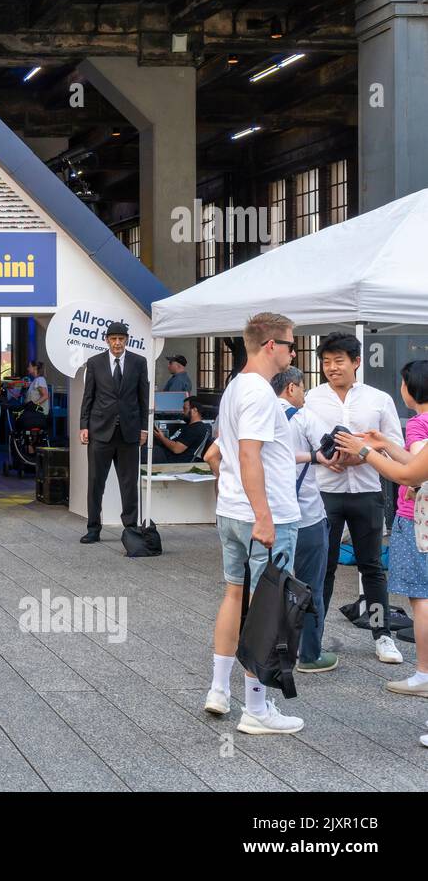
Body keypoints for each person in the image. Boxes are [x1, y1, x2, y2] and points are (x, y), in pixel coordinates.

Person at [202, 312, 305, 735]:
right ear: (270, 346)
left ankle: (218, 690)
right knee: (265, 610)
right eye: (290, 345)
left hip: (233, 510)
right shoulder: (261, 394)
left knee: (234, 596)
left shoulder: (235, 388)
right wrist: (264, 516)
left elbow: (219, 454)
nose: (294, 352)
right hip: (265, 516)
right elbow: (248, 455)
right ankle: (257, 709)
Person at [305, 331, 405, 665]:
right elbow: (302, 444)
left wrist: (364, 453)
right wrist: (323, 456)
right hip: (324, 493)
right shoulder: (310, 398)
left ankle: (382, 634)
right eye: (326, 362)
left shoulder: (378, 399)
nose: (331, 368)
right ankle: (312, 636)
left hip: (367, 491)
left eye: (339, 361)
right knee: (324, 568)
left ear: (356, 362)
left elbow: (393, 444)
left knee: (372, 566)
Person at [334, 360, 428, 713]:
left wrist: (366, 452)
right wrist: (385, 444)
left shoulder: (420, 422)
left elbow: (408, 476)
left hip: (418, 522)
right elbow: (415, 466)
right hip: (412, 519)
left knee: (419, 597)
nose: (332, 367)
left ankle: (419, 668)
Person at [272, 366, 339, 673]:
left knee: (271, 584)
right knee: (311, 584)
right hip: (307, 514)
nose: (304, 395)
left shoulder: (261, 414)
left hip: (268, 516)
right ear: (291, 389)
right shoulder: (303, 417)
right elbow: (332, 448)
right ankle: (310, 655)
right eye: (302, 389)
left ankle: (270, 647)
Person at [78, 322, 149, 543]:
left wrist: (144, 428)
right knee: (95, 482)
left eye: (121, 338)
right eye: (113, 338)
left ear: (127, 339)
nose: (117, 342)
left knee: (129, 484)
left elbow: (143, 398)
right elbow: (88, 396)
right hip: (100, 431)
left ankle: (130, 528)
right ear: (106, 340)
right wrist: (84, 426)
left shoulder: (139, 362)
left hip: (129, 432)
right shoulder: (95, 362)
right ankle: (93, 528)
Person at [150, 397, 213, 464]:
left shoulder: (196, 428)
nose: (183, 412)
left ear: (194, 410)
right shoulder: (189, 426)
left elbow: (177, 449)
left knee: (142, 453)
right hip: (162, 453)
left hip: (168, 459)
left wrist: (162, 438)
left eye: (185, 409)